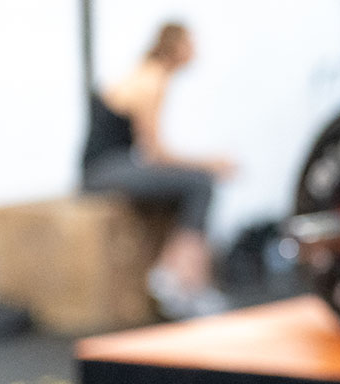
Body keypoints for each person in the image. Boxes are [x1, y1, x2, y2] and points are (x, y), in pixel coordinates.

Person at [81, 22, 235, 319]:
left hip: (116, 165)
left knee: (195, 185)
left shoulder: (150, 75)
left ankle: (185, 280)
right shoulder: (153, 80)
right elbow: (155, 154)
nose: (196, 51)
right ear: (176, 46)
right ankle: (174, 275)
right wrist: (211, 163)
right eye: (191, 43)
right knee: (202, 184)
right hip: (103, 172)